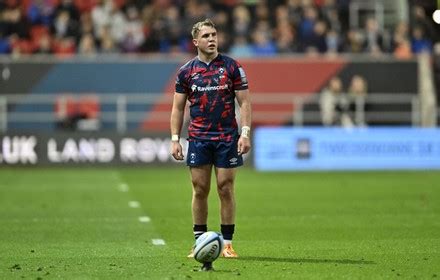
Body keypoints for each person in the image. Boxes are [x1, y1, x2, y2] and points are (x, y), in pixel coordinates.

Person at [170, 19, 252, 261]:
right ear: (196, 41)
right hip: (199, 137)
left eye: (214, 34)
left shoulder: (232, 67)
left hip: (227, 137)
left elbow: (244, 102)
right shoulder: (186, 71)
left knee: (225, 188)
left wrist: (245, 133)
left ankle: (227, 244)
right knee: (200, 188)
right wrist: (175, 139)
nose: (212, 39)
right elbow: (177, 108)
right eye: (206, 36)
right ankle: (199, 241)